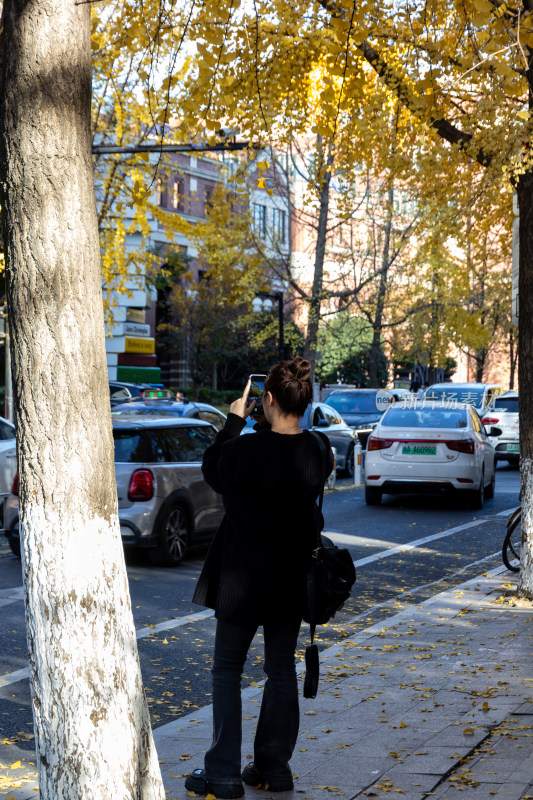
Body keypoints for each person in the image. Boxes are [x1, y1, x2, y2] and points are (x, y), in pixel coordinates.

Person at [185, 356, 333, 799]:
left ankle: (224, 775)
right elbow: (291, 460)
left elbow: (213, 468)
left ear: (265, 399)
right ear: (304, 401)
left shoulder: (243, 451)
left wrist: (234, 421)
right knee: (280, 669)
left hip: (242, 579)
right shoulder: (318, 450)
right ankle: (274, 768)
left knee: (227, 669)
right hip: (290, 580)